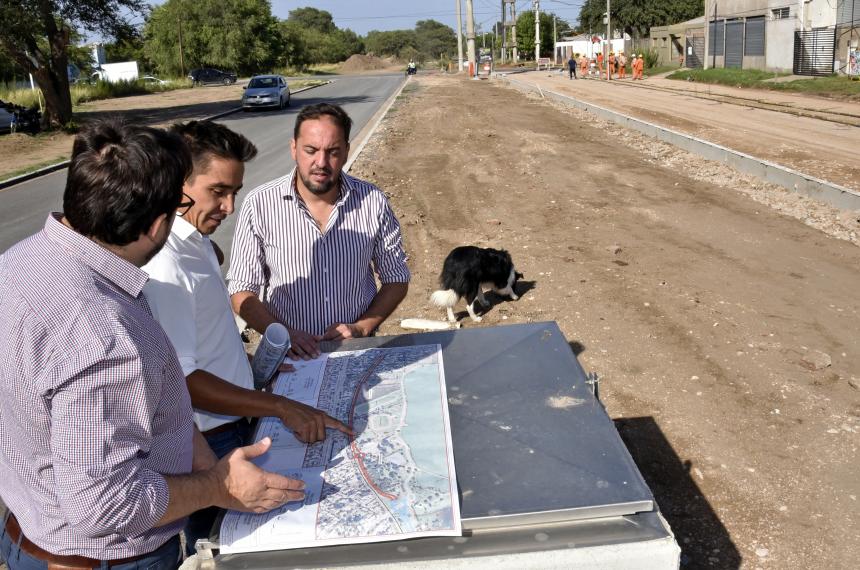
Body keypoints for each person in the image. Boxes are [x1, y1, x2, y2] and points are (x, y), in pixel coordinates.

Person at [0, 120, 304, 570]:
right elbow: (103, 506)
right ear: (159, 221)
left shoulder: (21, 263)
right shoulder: (103, 332)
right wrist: (218, 488)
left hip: (29, 530)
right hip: (102, 558)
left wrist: (212, 468)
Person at [142, 120, 352, 555]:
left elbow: (209, 343)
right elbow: (183, 381)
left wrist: (258, 378)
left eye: (235, 191)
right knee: (224, 549)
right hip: (208, 442)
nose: (230, 206)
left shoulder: (195, 240)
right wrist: (279, 405)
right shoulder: (167, 265)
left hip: (233, 421)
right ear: (178, 182)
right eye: (218, 191)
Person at [228, 103, 410, 360]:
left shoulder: (373, 201)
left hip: (356, 351)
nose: (321, 162)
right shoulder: (259, 204)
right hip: (288, 358)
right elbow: (241, 290)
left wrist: (361, 327)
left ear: (346, 151)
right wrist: (284, 335)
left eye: (333, 152)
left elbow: (397, 278)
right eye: (311, 150)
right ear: (294, 148)